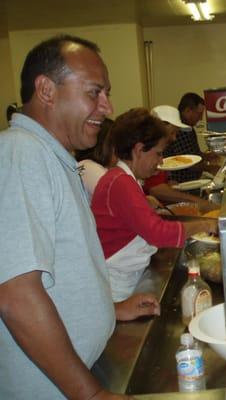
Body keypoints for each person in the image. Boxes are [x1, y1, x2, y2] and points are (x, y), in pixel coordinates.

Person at [0, 34, 152, 400]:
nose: (106, 105)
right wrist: (91, 395)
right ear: (46, 90)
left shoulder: (53, 159)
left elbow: (60, 268)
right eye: (93, 92)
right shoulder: (20, 154)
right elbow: (16, 296)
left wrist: (107, 310)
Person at [91, 108, 217, 302]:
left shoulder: (122, 179)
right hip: (116, 286)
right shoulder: (120, 183)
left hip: (125, 278)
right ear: (139, 149)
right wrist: (207, 224)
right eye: (158, 154)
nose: (160, 162)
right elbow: (158, 233)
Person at [142, 104, 218, 209]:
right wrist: (199, 202)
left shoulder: (160, 150)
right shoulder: (149, 152)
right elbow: (156, 189)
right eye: (172, 133)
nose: (174, 138)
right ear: (160, 127)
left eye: (176, 134)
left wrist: (168, 183)